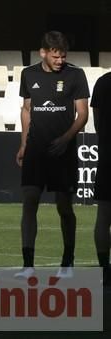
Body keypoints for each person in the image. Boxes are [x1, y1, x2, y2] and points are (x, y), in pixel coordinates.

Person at [15, 31, 89, 279]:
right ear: (43, 53)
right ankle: (28, 265)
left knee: (64, 207)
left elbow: (83, 114)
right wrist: (23, 144)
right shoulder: (29, 74)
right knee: (29, 203)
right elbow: (26, 110)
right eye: (56, 56)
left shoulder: (76, 75)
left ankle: (67, 262)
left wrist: (66, 139)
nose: (60, 61)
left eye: (63, 56)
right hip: (35, 151)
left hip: (63, 153)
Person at [91, 71, 111, 286]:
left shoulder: (103, 82)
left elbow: (96, 120)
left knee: (104, 215)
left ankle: (104, 267)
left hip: (107, 156)